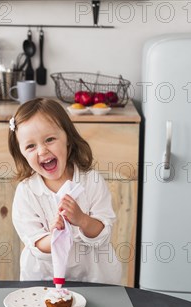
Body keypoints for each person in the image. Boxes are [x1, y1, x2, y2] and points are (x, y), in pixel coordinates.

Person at [8, 98, 122, 284]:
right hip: (44, 279)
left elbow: (103, 232)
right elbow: (34, 241)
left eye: (50, 139)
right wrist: (54, 237)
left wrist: (82, 219)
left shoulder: (91, 181)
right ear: (21, 153)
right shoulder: (26, 192)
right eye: (31, 146)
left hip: (94, 278)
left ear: (68, 138)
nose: (42, 151)